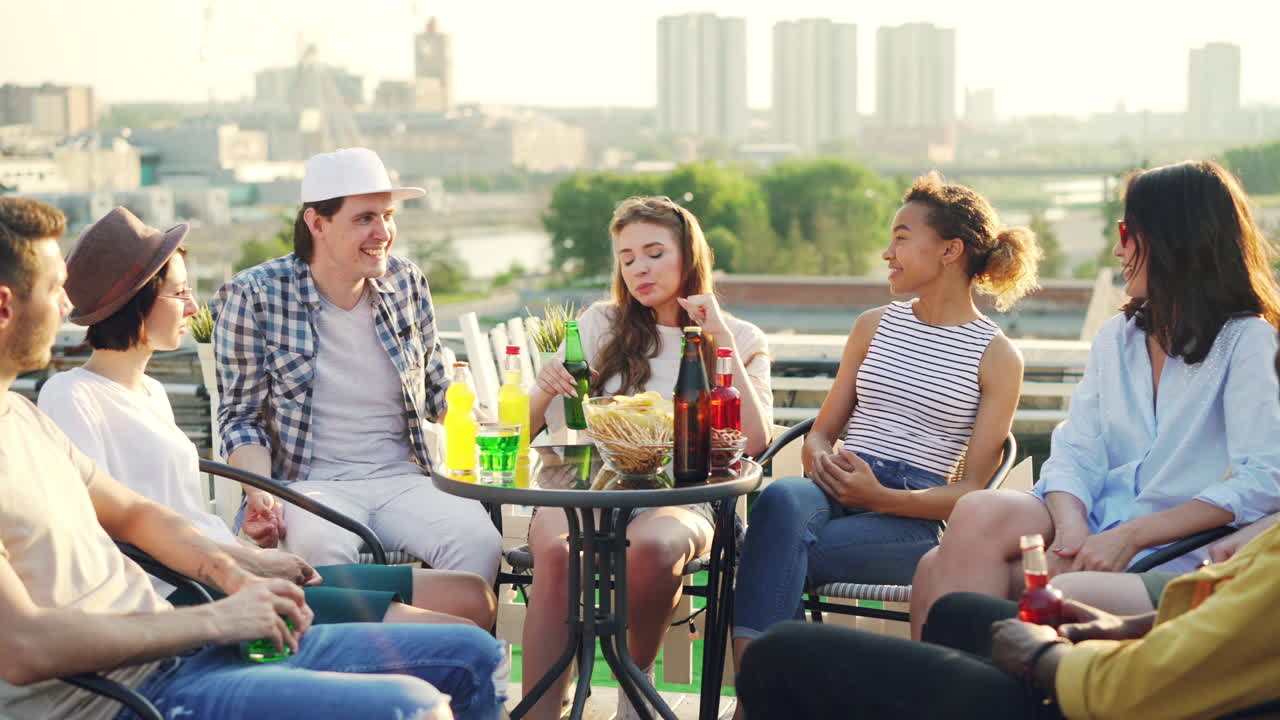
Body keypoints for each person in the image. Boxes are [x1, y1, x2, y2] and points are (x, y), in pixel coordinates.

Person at [0, 197, 503, 720]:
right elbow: (22, 648)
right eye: (55, 288)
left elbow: (136, 513)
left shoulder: (27, 418)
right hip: (129, 688)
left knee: (473, 655)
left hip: (179, 644)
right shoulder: (68, 397)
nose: (67, 307)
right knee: (414, 707)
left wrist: (240, 566)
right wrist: (221, 616)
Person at [910, 160, 1280, 638]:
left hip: (1170, 549)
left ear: (1173, 239)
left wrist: (1131, 535)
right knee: (977, 510)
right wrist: (1070, 528)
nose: (1116, 247)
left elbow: (1264, 478)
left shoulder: (1246, 340)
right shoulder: (1117, 337)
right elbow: (1074, 451)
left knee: (936, 567)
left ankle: (969, 694)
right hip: (1089, 519)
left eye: (1127, 232)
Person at [730, 172, 1040, 699]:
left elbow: (971, 496)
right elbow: (821, 435)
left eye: (900, 236)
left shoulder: (998, 357)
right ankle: (768, 699)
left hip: (911, 516)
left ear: (949, 250)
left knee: (775, 549)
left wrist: (882, 497)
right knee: (780, 497)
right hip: (836, 487)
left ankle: (761, 702)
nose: (885, 252)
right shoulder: (873, 325)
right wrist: (824, 459)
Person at [521, 195, 774, 720]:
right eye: (627, 257)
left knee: (656, 545)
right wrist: (544, 391)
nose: (639, 268)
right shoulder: (602, 324)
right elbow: (525, 429)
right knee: (556, 550)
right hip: (590, 488)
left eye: (654, 253)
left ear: (689, 255)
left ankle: (633, 685)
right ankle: (542, 711)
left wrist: (718, 335)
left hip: (688, 497)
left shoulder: (741, 337)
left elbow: (754, 441)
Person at [212, 147, 502, 582]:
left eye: (388, 216)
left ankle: (445, 650)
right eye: (365, 218)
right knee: (319, 548)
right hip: (312, 484)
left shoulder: (406, 282)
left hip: (404, 477)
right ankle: (357, 649)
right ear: (317, 223)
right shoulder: (253, 295)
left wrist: (484, 423)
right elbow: (242, 418)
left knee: (480, 543)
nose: (383, 231)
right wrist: (260, 494)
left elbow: (438, 389)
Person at [736, 499, 1280, 719]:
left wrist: (1044, 655)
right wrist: (1121, 626)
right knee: (960, 613)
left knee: (779, 654)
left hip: (1107, 702)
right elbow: (1225, 598)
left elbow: (1133, 690)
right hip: (1138, 661)